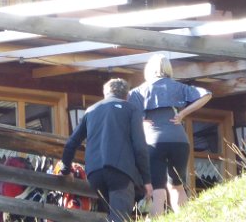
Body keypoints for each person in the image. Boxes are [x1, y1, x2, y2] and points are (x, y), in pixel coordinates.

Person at [130, 53, 213, 216]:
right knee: (177, 186)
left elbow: (125, 112)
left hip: (154, 142)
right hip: (179, 141)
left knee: (158, 189)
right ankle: (185, 218)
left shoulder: (139, 91)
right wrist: (183, 114)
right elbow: (206, 94)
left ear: (149, 69)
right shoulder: (178, 87)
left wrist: (140, 121)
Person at [60, 78, 153, 222]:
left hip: (94, 173)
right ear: (127, 95)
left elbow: (71, 143)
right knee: (120, 217)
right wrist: (147, 180)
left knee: (112, 215)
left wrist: (66, 169)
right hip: (121, 171)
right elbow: (140, 147)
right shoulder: (131, 109)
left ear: (105, 94)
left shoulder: (90, 111)